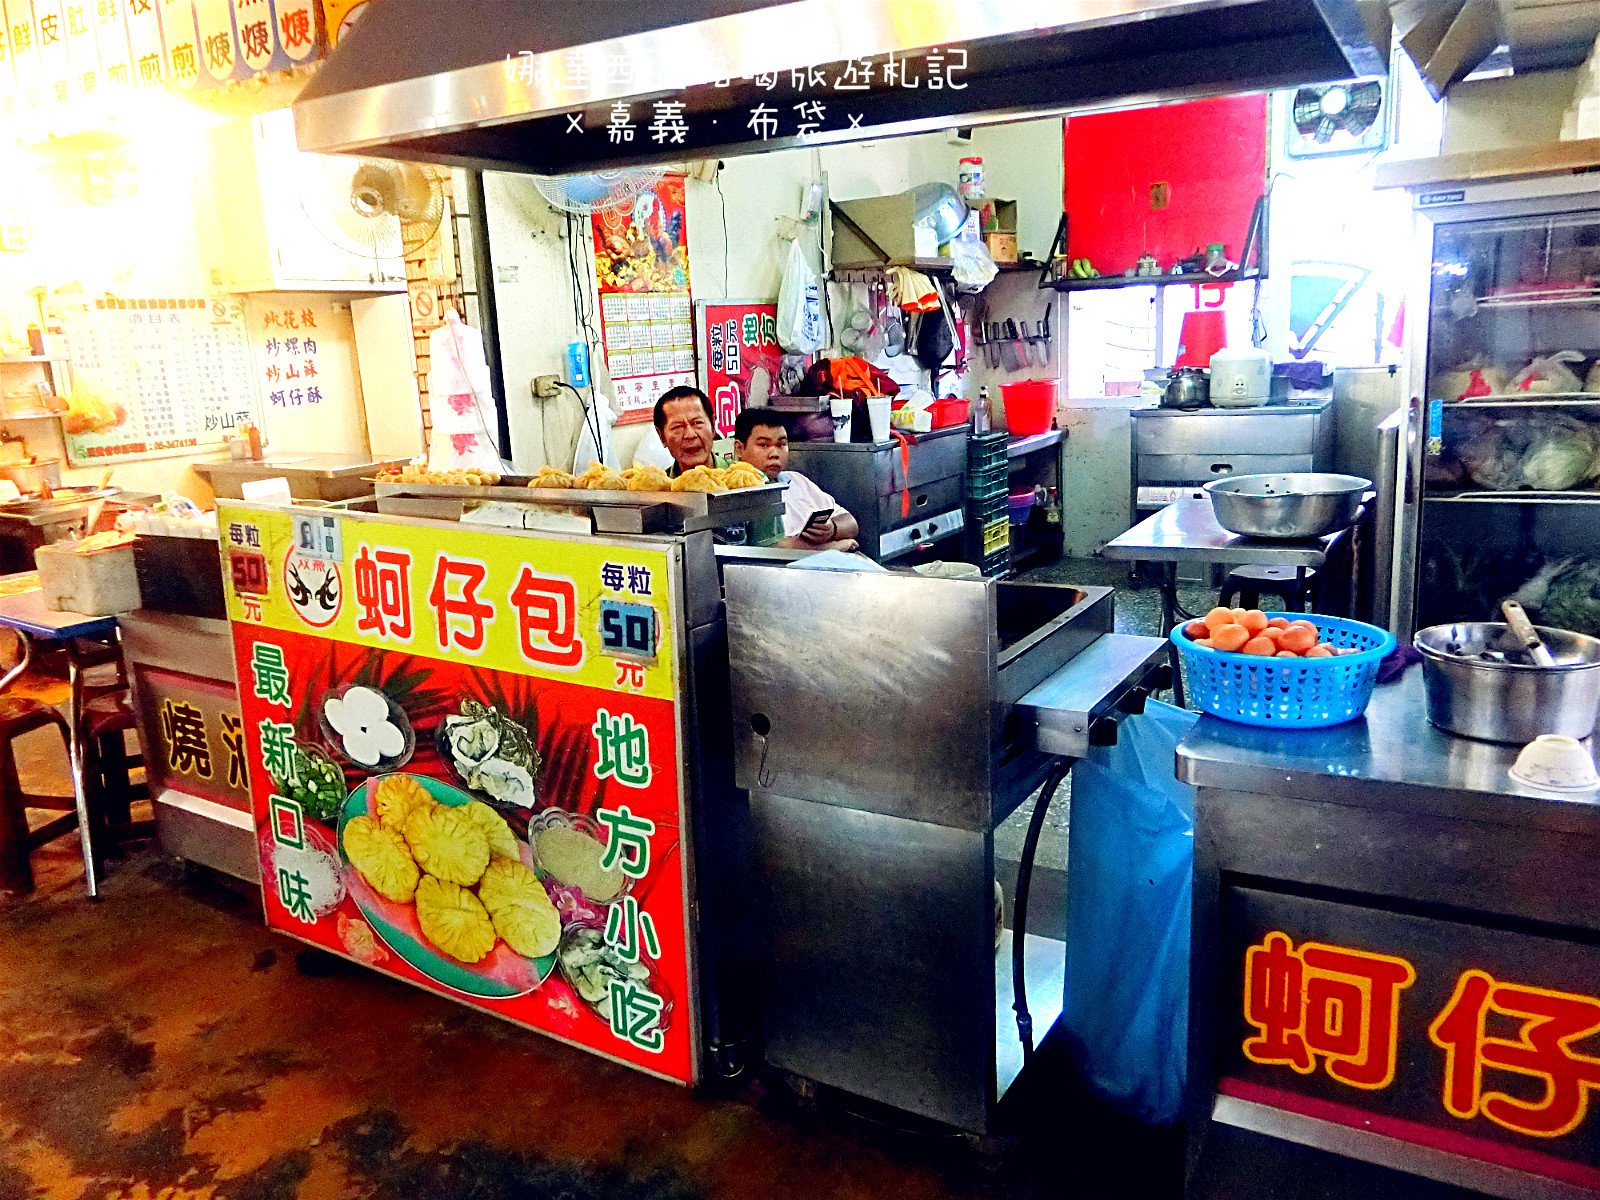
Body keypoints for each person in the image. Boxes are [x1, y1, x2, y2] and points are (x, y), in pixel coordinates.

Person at [733, 407, 860, 552]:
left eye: (781, 445)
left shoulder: (795, 480)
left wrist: (832, 530)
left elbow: (851, 523)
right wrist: (833, 547)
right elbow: (774, 547)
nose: (774, 454)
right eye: (763, 445)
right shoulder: (739, 492)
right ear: (739, 449)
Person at [653, 385, 718, 476]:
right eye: (677, 427)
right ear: (662, 437)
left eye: (697, 423)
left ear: (713, 426)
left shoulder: (738, 478)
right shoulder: (659, 484)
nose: (690, 435)